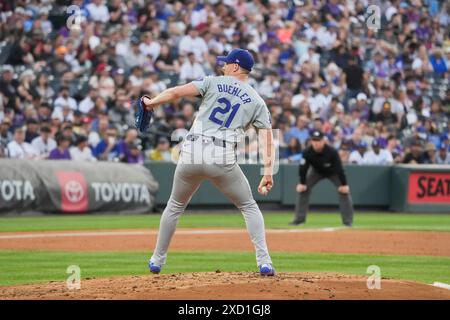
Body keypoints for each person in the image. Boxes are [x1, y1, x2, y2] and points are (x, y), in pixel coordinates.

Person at [142, 48, 275, 276]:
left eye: (225, 63)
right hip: (221, 155)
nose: (222, 66)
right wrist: (268, 172)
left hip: (192, 150)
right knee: (248, 206)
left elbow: (175, 92)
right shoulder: (257, 100)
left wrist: (151, 102)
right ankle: (265, 262)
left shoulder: (213, 82)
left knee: (174, 206)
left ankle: (157, 260)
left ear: (235, 67)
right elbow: (267, 138)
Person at [291, 130, 353, 227]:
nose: (316, 143)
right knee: (303, 190)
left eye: (318, 140)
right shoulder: (307, 152)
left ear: (323, 141)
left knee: (344, 191)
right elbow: (303, 168)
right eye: (314, 140)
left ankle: (348, 221)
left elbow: (339, 169)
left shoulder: (332, 151)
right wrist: (302, 183)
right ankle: (299, 220)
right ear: (311, 141)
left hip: (333, 172)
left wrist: (344, 184)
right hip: (316, 172)